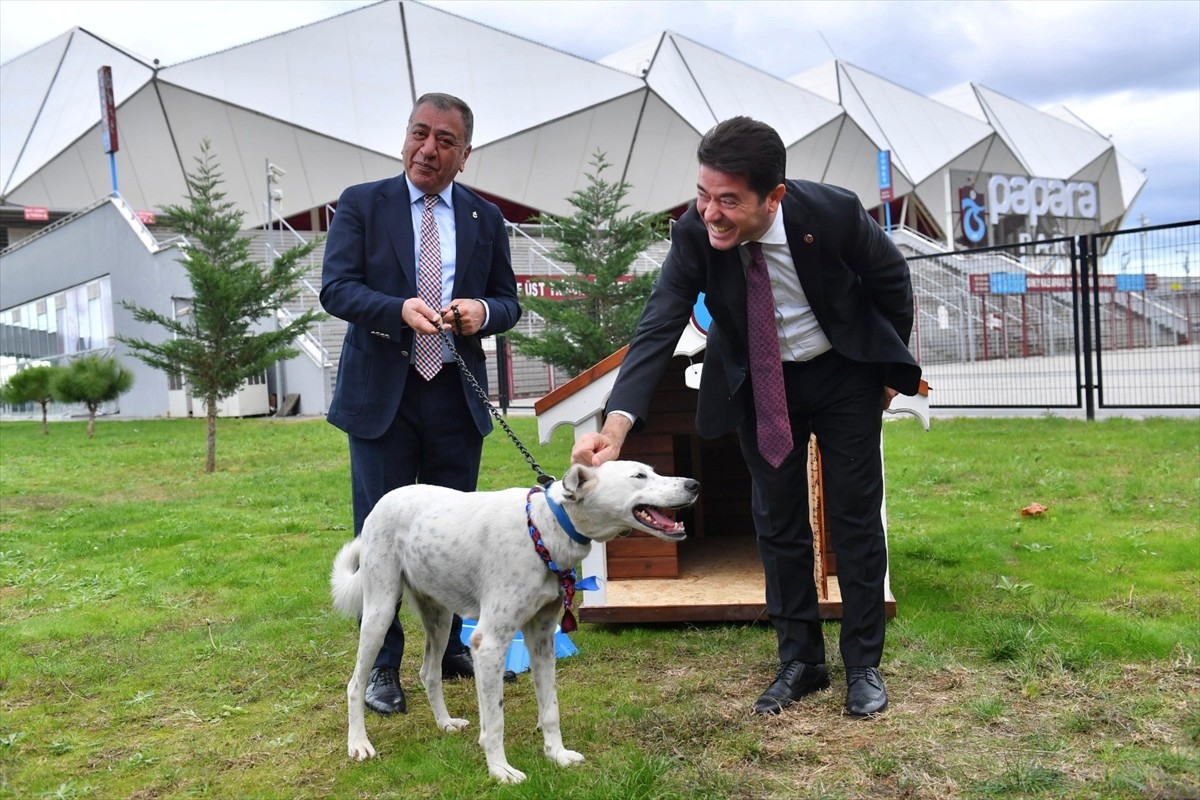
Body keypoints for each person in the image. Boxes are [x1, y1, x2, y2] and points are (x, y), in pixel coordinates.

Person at [571, 116, 921, 718]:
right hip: (760, 380)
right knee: (777, 519)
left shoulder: (832, 213)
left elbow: (892, 281)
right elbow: (659, 325)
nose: (710, 212)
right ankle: (801, 661)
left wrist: (889, 375)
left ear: (774, 197)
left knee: (855, 517)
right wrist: (616, 425)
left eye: (728, 200)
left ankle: (862, 664)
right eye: (704, 194)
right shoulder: (692, 233)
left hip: (840, 373)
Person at [320, 92, 522, 715]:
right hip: (381, 399)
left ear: (465, 154)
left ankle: (455, 647)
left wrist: (479, 313)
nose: (428, 149)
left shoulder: (486, 218)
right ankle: (382, 668)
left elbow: (508, 301)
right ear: (405, 137)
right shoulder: (360, 204)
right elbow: (337, 289)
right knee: (380, 535)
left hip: (453, 398)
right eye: (419, 134)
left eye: (444, 141)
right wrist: (398, 311)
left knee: (457, 535)